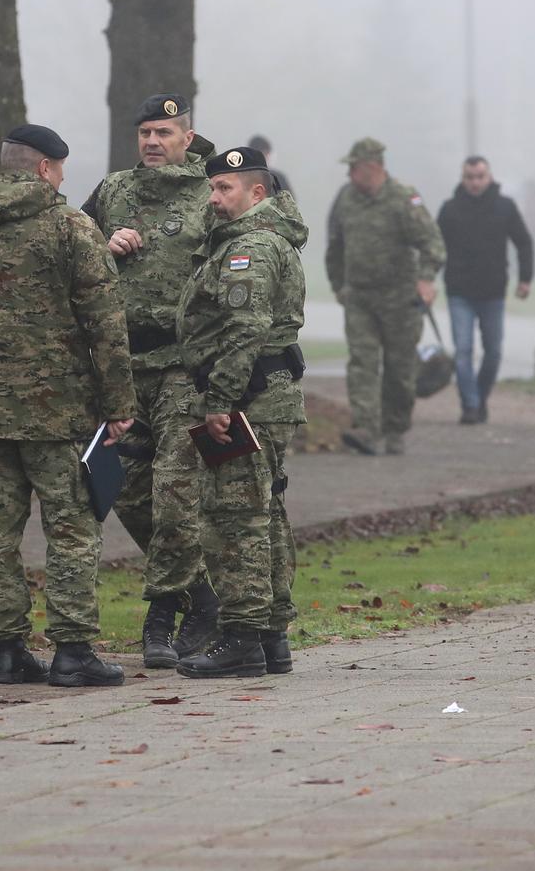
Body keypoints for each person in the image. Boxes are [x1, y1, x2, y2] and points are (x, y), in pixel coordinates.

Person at [0, 124, 136, 688]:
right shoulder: (70, 228)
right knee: (70, 528)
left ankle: (8, 652)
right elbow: (105, 323)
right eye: (60, 168)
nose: (63, 178)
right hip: (58, 415)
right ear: (44, 167)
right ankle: (72, 651)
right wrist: (119, 403)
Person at [79, 93, 219, 670]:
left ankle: (162, 616)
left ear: (188, 137)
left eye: (164, 132)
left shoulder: (213, 192)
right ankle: (202, 597)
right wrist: (101, 247)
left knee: (175, 493)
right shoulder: (113, 192)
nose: (152, 142)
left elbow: (267, 242)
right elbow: (70, 254)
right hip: (125, 372)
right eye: (144, 133)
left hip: (185, 367)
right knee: (127, 493)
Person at [174, 146, 307, 678]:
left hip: (247, 398)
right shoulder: (254, 240)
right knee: (265, 512)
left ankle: (243, 637)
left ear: (257, 193)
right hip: (263, 396)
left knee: (237, 518)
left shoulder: (249, 248)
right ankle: (272, 636)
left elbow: (244, 329)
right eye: (211, 187)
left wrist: (220, 403)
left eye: (224, 189)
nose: (214, 198)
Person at [324, 138, 445, 455]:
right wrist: (339, 285)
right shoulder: (347, 199)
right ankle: (365, 428)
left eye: (354, 167)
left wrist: (426, 279)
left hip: (400, 300)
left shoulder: (404, 199)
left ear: (372, 167)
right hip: (360, 298)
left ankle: (395, 428)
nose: (349, 174)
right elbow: (335, 246)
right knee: (362, 363)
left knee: (399, 369)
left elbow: (432, 244)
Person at [435, 156, 533, 424]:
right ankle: (471, 405)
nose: (475, 182)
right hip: (459, 292)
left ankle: (480, 395)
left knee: (493, 352)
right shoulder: (450, 210)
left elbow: (523, 242)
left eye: (480, 176)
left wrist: (525, 279)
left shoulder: (505, 207)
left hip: (493, 292)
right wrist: (426, 281)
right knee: (463, 350)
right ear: (462, 178)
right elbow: (434, 248)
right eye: (470, 177)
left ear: (489, 177)